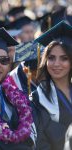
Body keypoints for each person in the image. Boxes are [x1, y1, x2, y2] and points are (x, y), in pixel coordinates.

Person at [31, 21, 72, 150]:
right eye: (51, 58)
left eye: (64, 58)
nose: (56, 64)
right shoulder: (37, 99)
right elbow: (41, 143)